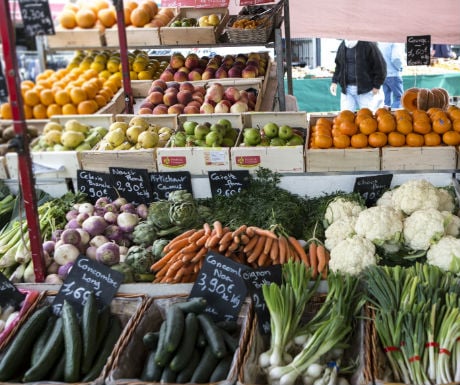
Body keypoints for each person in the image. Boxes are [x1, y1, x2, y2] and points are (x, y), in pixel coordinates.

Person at [330, 40, 387, 112]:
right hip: (347, 90)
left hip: (366, 89)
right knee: (345, 118)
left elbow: (380, 66)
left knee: (368, 118)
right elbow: (339, 65)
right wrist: (334, 81)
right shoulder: (342, 45)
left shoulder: (368, 44)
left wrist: (377, 85)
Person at [378, 42, 405, 109]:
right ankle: (395, 115)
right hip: (393, 74)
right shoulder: (396, 42)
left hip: (382, 74)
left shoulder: (380, 42)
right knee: (400, 98)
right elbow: (396, 58)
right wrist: (400, 68)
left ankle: (385, 116)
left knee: (386, 99)